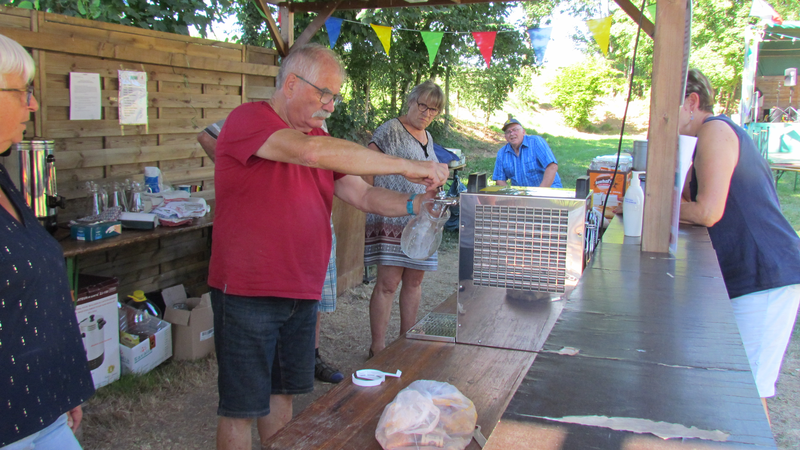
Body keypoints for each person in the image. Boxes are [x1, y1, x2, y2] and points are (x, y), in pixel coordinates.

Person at [208, 43, 448, 450]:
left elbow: (365, 197)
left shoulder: (318, 137)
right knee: (240, 408)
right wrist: (409, 165)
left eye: (335, 96)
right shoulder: (250, 120)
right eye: (325, 94)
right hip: (247, 291)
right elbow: (310, 153)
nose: (330, 105)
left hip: (301, 290)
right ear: (290, 84)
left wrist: (415, 203)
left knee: (281, 395)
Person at [679, 68, 800, 423]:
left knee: (747, 391)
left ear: (692, 101)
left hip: (765, 272)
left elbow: (706, 211)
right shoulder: (704, 138)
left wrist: (649, 205)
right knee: (735, 384)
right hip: (752, 273)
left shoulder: (715, 130)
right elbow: (686, 197)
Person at [0, 34, 95, 449]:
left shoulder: (4, 178)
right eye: (23, 91)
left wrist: (64, 383)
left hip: (43, 407)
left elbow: (39, 293)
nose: (32, 104)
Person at [197, 119, 344, 384]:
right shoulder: (258, 120)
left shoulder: (319, 128)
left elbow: (357, 188)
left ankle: (312, 356)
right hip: (263, 257)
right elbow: (207, 136)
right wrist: (242, 174)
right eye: (323, 94)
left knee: (314, 298)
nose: (329, 104)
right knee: (247, 390)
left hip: (315, 233)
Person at [363, 81, 444, 357]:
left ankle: (406, 342)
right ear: (410, 101)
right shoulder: (389, 130)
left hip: (422, 223)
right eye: (423, 105)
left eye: (433, 109)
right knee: (387, 284)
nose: (426, 113)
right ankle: (378, 348)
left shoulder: (428, 138)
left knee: (414, 282)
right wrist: (373, 203)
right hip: (393, 219)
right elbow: (366, 166)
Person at [492, 118, 562, 188]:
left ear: (523, 132)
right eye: (508, 132)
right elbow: (499, 180)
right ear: (505, 137)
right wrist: (512, 195)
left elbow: (552, 166)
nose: (512, 133)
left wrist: (540, 193)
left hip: (548, 191)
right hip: (522, 196)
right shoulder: (502, 153)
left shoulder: (535, 142)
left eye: (515, 130)